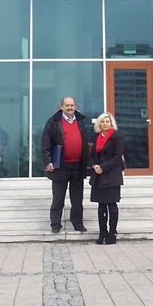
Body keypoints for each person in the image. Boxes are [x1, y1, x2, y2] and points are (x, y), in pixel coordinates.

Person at [40, 96, 89, 233]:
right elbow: (45, 144)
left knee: (77, 199)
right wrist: (48, 161)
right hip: (60, 167)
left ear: (75, 106)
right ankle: (55, 225)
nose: (70, 108)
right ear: (61, 107)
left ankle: (78, 223)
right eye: (67, 105)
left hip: (78, 167)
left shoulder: (81, 121)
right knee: (58, 199)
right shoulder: (53, 122)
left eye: (72, 105)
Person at [89, 112, 125, 245]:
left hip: (111, 176)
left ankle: (112, 233)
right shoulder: (97, 137)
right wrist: (94, 165)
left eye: (107, 121)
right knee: (101, 206)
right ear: (99, 124)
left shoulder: (118, 137)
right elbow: (92, 155)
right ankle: (102, 233)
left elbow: (117, 157)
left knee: (112, 205)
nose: (105, 124)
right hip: (98, 177)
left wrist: (102, 167)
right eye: (102, 122)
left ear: (111, 123)